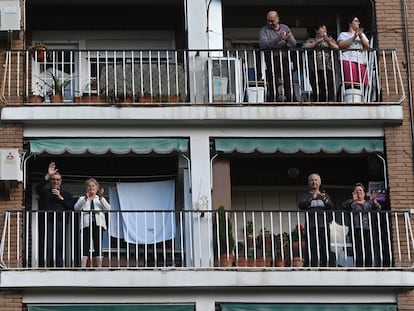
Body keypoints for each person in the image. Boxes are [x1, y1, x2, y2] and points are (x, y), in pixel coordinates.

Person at [36, 162, 74, 267]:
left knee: (59, 245)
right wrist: (48, 175)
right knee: (46, 245)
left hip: (60, 222)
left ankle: (59, 267)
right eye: (53, 179)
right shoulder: (45, 192)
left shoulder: (66, 194)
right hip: (46, 222)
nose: (55, 181)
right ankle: (46, 266)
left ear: (61, 182)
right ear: (50, 181)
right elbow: (38, 188)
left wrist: (60, 197)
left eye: (57, 180)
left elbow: (71, 207)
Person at [259, 10, 297, 102]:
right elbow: (263, 44)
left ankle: (291, 98)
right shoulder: (264, 30)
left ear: (278, 19)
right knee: (273, 79)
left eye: (272, 21)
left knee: (287, 78)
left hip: (283, 56)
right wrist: (276, 40)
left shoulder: (285, 28)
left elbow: (294, 43)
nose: (270, 23)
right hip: (271, 58)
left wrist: (288, 40)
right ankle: (273, 98)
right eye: (268, 21)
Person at [298, 173, 334, 267]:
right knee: (311, 246)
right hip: (311, 224)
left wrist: (325, 200)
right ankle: (311, 265)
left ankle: (326, 265)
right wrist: (311, 198)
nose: (314, 182)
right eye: (312, 180)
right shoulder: (306, 195)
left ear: (320, 182)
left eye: (316, 180)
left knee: (325, 245)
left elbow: (331, 207)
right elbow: (301, 206)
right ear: (309, 183)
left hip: (323, 224)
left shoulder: (324, 195)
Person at [342, 183, 381, 267]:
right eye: (356, 191)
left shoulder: (369, 203)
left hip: (367, 229)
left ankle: (368, 266)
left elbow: (378, 209)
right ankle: (358, 266)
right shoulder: (351, 203)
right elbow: (343, 207)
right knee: (357, 248)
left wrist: (375, 202)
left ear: (364, 193)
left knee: (368, 247)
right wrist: (353, 200)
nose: (358, 192)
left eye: (360, 190)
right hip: (356, 229)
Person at [74, 178, 110, 268]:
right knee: (85, 244)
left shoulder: (100, 199)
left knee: (98, 244)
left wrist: (101, 198)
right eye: (89, 186)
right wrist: (85, 198)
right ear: (86, 188)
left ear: (97, 188)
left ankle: (99, 266)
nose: (91, 187)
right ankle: (83, 266)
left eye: (93, 185)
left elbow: (108, 209)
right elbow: (76, 208)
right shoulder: (82, 198)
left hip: (98, 224)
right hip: (86, 224)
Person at [302, 24, 339, 102]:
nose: (325, 30)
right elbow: (305, 47)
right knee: (317, 88)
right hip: (314, 69)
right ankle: (318, 102)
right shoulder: (311, 40)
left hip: (327, 68)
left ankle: (330, 102)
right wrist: (316, 42)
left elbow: (336, 47)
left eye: (325, 29)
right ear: (316, 30)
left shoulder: (330, 40)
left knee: (328, 87)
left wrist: (328, 42)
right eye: (322, 28)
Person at [337, 16, 370, 88]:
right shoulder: (343, 34)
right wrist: (354, 37)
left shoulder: (362, 35)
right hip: (348, 59)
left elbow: (367, 46)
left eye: (358, 21)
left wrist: (360, 35)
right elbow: (341, 45)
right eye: (356, 21)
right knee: (351, 82)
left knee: (364, 82)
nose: (358, 23)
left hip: (361, 60)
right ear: (350, 23)